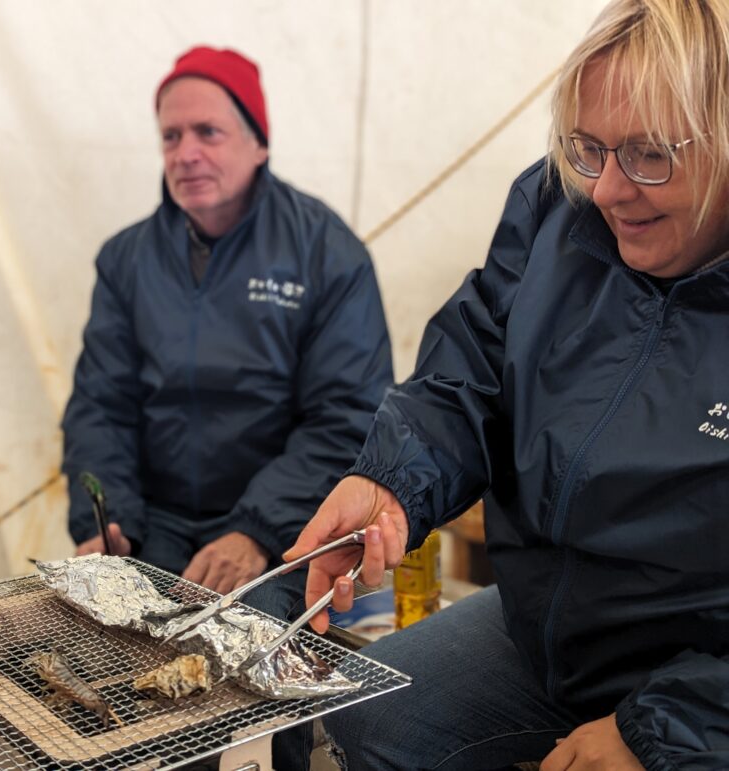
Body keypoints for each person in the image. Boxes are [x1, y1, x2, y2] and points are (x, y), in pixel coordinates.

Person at [272, 1, 729, 768]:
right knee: (363, 716)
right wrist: (392, 483)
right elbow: (475, 365)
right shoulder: (559, 208)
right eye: (588, 147)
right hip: (543, 629)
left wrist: (660, 732)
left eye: (649, 155)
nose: (608, 190)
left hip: (698, 676)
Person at [61, 46, 393, 595]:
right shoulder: (126, 260)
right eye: (171, 136)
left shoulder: (326, 252)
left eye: (208, 133)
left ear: (259, 144)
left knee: (238, 640)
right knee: (112, 634)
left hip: (284, 527)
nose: (185, 154)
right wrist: (108, 520)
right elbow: (101, 406)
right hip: (155, 524)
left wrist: (256, 530)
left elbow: (348, 415)